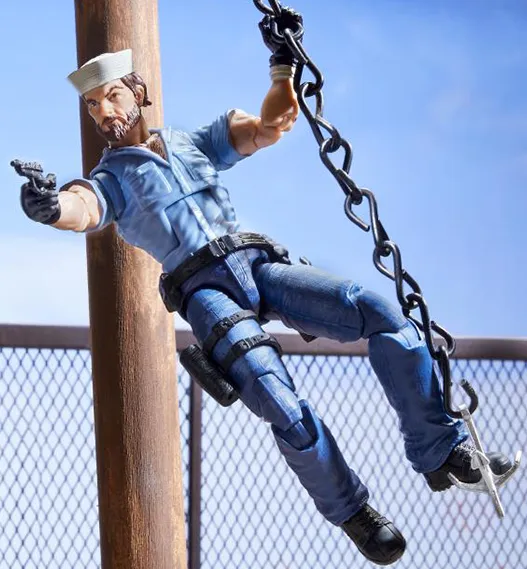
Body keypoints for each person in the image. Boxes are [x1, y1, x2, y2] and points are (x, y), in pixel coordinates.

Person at [18, 12, 511, 566]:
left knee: (377, 309)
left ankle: (441, 452)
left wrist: (282, 67)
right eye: (92, 105)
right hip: (204, 291)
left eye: (111, 96)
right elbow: (83, 208)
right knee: (275, 396)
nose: (104, 112)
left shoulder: (191, 142)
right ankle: (353, 512)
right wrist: (50, 206)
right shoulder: (111, 179)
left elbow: (270, 126)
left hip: (255, 263)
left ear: (137, 91)